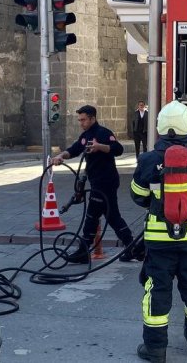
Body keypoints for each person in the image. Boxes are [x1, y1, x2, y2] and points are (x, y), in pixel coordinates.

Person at [130, 100, 187, 363]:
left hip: (159, 240)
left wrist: (157, 204)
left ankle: (155, 348)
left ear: (160, 126)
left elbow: (137, 195)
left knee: (157, 289)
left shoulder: (148, 159)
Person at [51, 105, 139, 264]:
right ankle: (133, 248)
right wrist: (60, 156)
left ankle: (83, 251)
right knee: (112, 216)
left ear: (92, 118)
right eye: (79, 120)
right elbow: (74, 150)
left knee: (92, 216)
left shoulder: (103, 133)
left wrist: (100, 147)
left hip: (106, 182)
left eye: (83, 120)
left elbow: (118, 149)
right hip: (96, 181)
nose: (81, 123)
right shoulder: (85, 136)